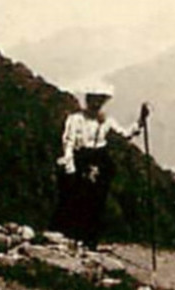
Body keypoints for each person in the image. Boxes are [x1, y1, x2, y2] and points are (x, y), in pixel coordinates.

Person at [52, 83, 149, 249]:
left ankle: (90, 240)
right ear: (88, 100)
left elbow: (124, 134)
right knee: (78, 198)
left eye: (100, 101)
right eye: (94, 100)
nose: (97, 104)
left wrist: (140, 121)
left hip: (100, 159)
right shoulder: (75, 120)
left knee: (97, 200)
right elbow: (68, 143)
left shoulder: (106, 121)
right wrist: (70, 166)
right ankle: (74, 237)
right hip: (81, 158)